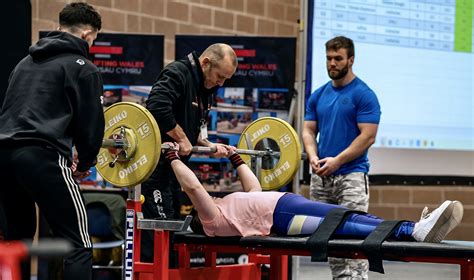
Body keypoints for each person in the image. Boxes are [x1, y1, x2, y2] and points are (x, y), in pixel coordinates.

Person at [162, 142, 463, 245]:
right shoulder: (212, 220)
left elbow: (253, 188)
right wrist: (173, 158)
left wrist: (235, 157)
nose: (210, 198)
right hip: (284, 217)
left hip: (285, 205)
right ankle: (413, 231)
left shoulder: (229, 204)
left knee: (349, 217)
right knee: (343, 225)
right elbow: (193, 187)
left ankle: (413, 228)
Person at [0, 3, 103, 280]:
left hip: (5, 156)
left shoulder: (24, 63)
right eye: (93, 40)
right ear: (87, 35)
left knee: (16, 241)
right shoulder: (84, 67)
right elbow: (91, 125)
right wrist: (86, 161)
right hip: (42, 156)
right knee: (77, 242)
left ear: (60, 28)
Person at [141, 43, 238, 262]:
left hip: (174, 170)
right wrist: (182, 138)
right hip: (155, 170)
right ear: (205, 63)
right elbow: (157, 106)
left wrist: (207, 145)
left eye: (225, 80)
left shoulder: (205, 87)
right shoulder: (177, 73)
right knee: (160, 232)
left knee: (173, 231)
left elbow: (197, 126)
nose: (220, 83)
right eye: (220, 76)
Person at [302, 36, 381, 279]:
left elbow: (368, 137)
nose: (332, 63)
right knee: (330, 238)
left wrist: (337, 160)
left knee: (354, 236)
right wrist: (313, 155)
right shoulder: (318, 95)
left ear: (351, 60)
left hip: (352, 176)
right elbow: (307, 130)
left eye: (338, 58)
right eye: (329, 58)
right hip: (323, 177)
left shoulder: (364, 94)